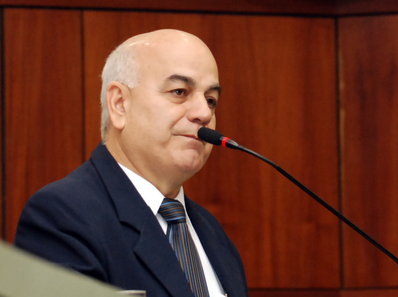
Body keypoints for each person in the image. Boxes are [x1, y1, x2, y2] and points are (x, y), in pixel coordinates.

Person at [14, 29, 247, 297]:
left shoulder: (212, 232)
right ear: (120, 104)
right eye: (179, 92)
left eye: (211, 100)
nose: (204, 113)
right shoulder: (62, 217)